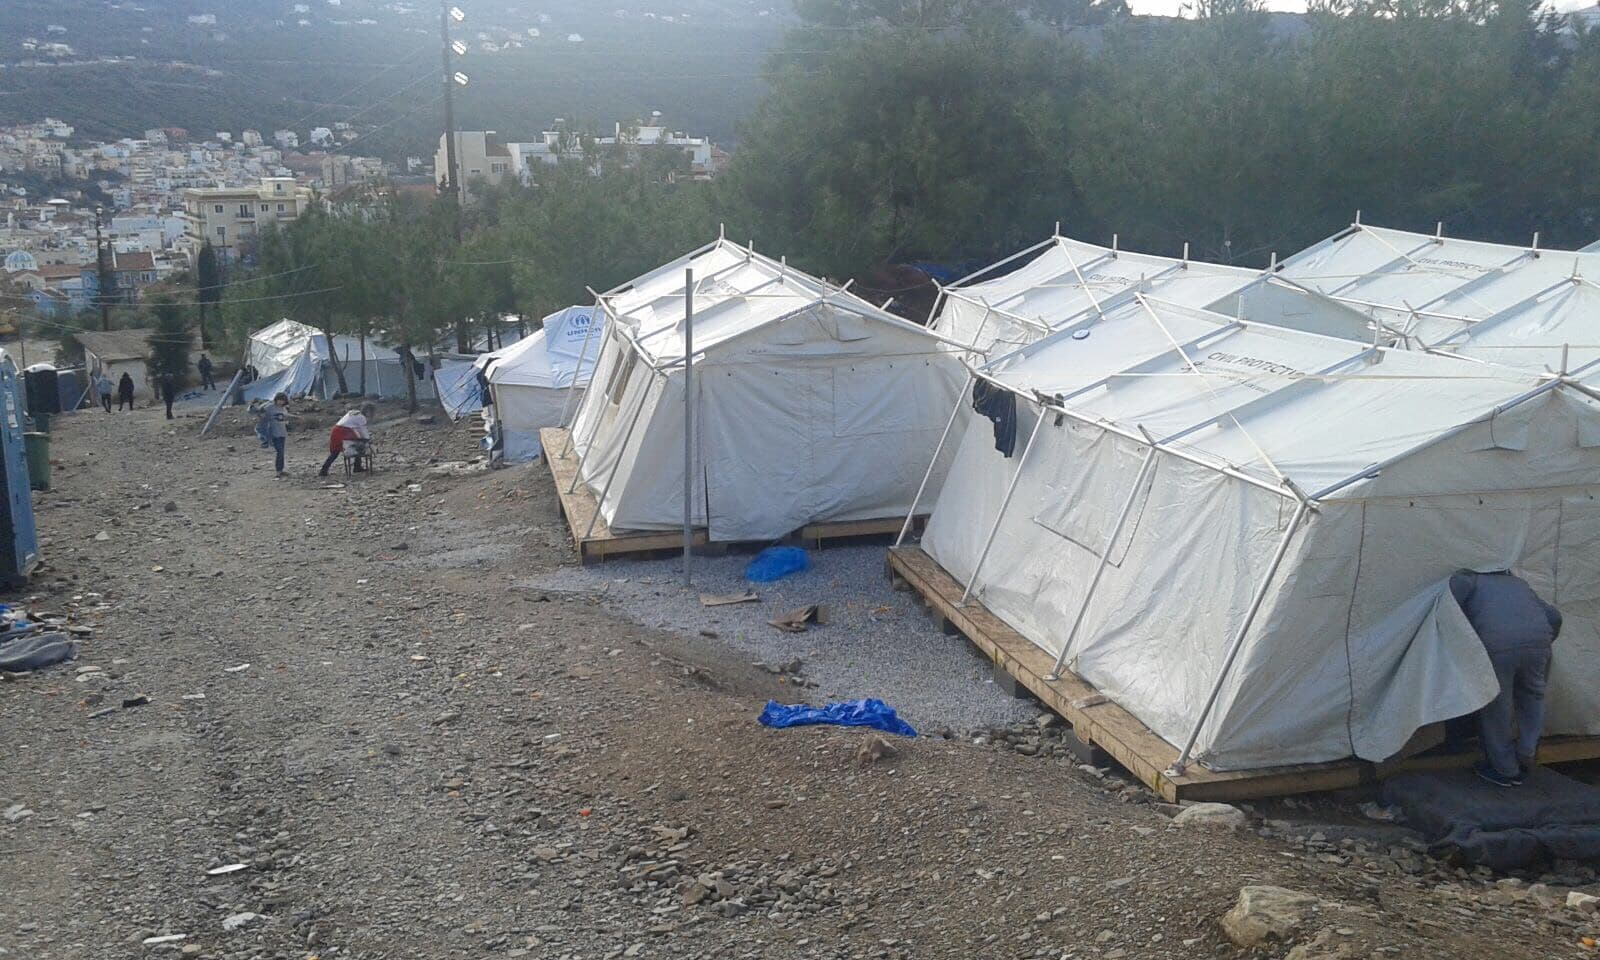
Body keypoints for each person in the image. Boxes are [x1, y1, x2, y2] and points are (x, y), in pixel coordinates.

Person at [1450, 570, 1563, 787]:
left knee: (1497, 706)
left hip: (1497, 644)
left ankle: (1504, 769)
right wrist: (1546, 639)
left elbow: (1450, 612)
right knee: (1533, 697)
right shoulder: (1517, 582)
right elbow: (1554, 616)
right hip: (1539, 640)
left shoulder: (1467, 580)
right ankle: (1527, 751)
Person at [320, 402, 376, 477]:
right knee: (352, 447)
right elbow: (362, 430)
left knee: (338, 450)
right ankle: (324, 470)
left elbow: (355, 428)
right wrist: (367, 439)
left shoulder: (356, 414)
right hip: (342, 431)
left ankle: (357, 466)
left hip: (339, 430)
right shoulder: (361, 417)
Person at [259, 392, 295, 477]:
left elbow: (286, 415)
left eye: (282, 400)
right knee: (280, 451)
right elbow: (261, 412)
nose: (281, 402)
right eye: (279, 400)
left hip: (282, 432)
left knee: (281, 452)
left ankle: (280, 470)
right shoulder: (270, 407)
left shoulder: (283, 408)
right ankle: (278, 471)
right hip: (273, 433)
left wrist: (296, 417)